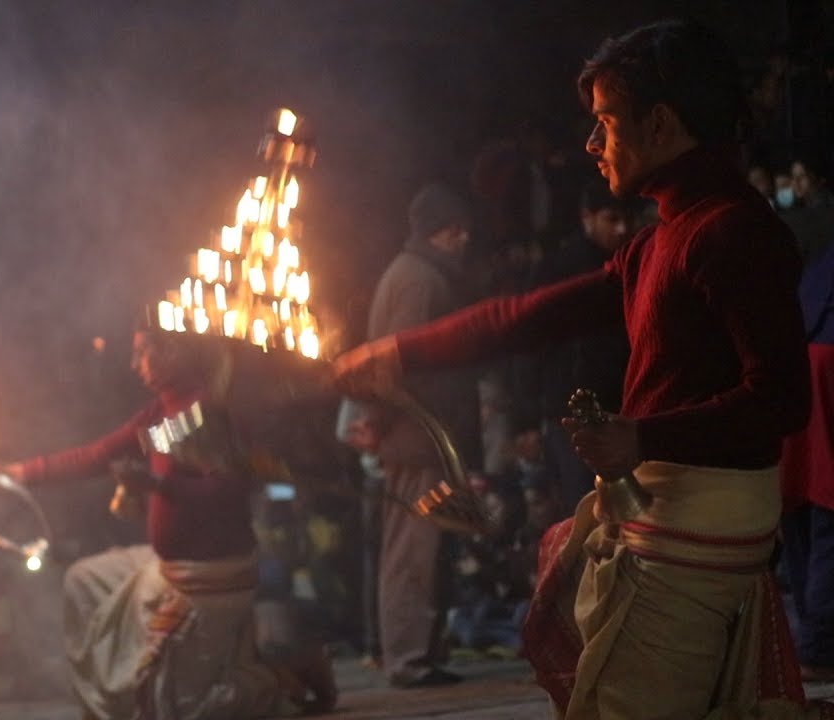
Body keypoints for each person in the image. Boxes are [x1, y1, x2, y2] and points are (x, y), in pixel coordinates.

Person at [333, 18, 828, 719]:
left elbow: (780, 400)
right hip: (667, 518)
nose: (590, 144)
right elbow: (525, 315)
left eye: (605, 122)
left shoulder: (731, 231)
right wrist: (399, 351)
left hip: (695, 528)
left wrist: (643, 439)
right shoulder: (662, 239)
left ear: (659, 124)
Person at [0, 324, 336, 720]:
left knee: (179, 708)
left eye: (143, 352)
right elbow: (97, 455)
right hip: (168, 569)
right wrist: (18, 472)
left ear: (175, 351)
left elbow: (226, 492)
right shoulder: (160, 414)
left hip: (208, 577)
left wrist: (156, 484)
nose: (134, 365)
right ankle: (110, 695)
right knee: (82, 580)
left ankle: (286, 674)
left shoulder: (203, 412)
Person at [338, 182, 481, 688]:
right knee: (411, 553)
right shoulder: (419, 280)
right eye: (458, 230)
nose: (465, 239)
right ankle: (408, 659)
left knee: (421, 550)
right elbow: (395, 363)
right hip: (418, 437)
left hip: (421, 436)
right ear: (443, 232)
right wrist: (380, 422)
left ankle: (420, 652)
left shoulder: (415, 273)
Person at [519, 177, 634, 509]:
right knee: (583, 514)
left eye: (625, 219)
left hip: (621, 414)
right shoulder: (558, 270)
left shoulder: (630, 268)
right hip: (571, 416)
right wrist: (526, 418)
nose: (622, 229)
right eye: (611, 219)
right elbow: (530, 341)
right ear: (588, 217)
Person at [780, 246, 834, 683]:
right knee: (828, 512)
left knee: (803, 503)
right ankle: (818, 646)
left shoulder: (819, 261)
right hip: (826, 371)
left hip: (799, 367)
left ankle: (812, 638)